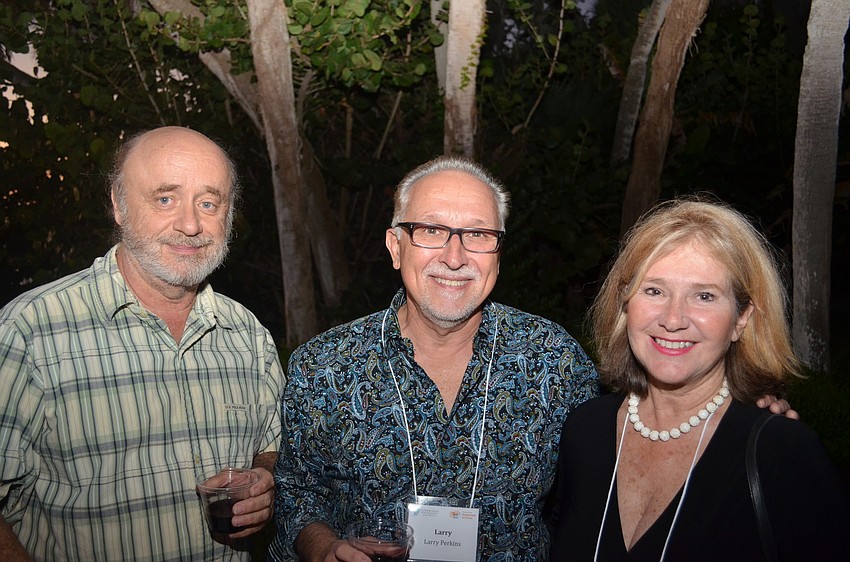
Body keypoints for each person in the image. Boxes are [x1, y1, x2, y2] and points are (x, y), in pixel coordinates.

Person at [268, 155, 602, 561]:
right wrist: (323, 550)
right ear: (395, 247)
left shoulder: (556, 362)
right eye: (430, 230)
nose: (455, 257)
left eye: (477, 234)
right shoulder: (323, 367)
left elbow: (589, 507)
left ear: (498, 253)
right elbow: (297, 494)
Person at [0, 126, 285, 561]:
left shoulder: (247, 335)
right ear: (118, 205)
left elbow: (271, 444)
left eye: (209, 203)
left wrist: (263, 478)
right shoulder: (31, 330)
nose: (190, 225)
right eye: (165, 198)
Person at [549, 198, 850, 561]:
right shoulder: (585, 430)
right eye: (655, 290)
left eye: (704, 296)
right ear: (625, 303)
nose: (673, 318)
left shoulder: (782, 454)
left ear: (741, 319)